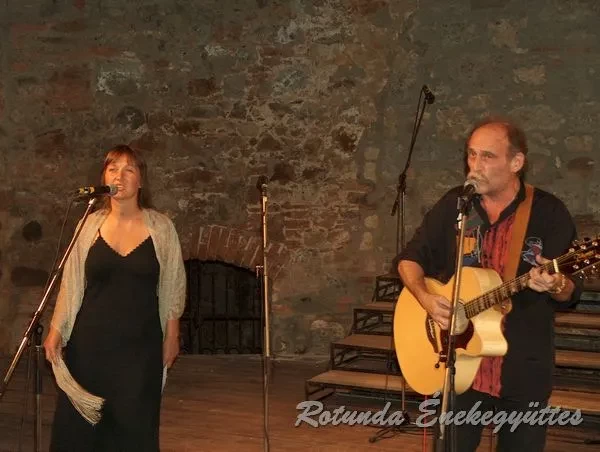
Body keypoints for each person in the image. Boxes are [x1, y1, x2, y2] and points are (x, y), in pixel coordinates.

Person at [396, 117, 581, 451]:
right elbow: (409, 260)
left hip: (522, 364)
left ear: (516, 162)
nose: (475, 165)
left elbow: (569, 291)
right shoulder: (455, 205)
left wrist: (555, 284)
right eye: (471, 154)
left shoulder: (548, 212)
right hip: (459, 361)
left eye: (487, 156)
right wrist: (424, 297)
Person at [43, 145, 187, 451]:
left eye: (128, 169)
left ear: (141, 181)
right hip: (89, 347)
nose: (119, 176)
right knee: (79, 431)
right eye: (112, 169)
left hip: (140, 349)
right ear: (103, 178)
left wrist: (172, 335)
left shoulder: (161, 227)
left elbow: (173, 283)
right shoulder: (88, 225)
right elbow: (71, 283)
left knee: (133, 427)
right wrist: (56, 330)